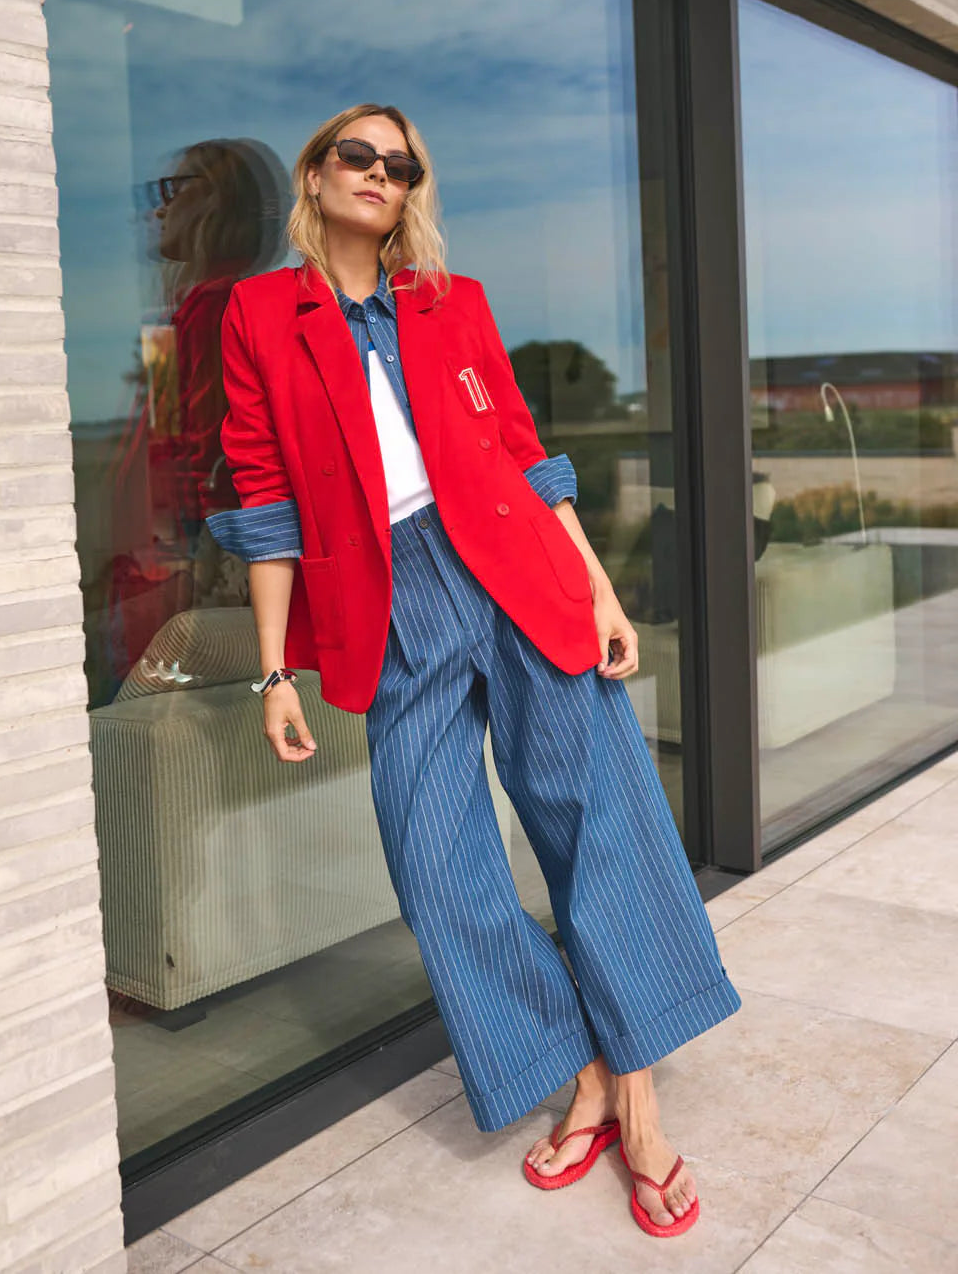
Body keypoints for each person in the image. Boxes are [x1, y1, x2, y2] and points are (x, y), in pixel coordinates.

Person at [206, 102, 741, 1237]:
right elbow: (264, 497)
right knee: (436, 864)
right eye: (357, 155)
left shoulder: (455, 303)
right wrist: (273, 671)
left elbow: (522, 453)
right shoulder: (257, 315)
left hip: (513, 567)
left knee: (597, 824)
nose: (379, 174)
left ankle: (634, 1100)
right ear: (315, 174)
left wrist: (598, 590)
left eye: (400, 165)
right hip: (388, 599)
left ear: (411, 190)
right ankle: (576, 1067)